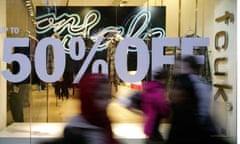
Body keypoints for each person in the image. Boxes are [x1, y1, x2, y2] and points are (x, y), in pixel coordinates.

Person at [63, 73, 119, 144]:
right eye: (100, 97)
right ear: (87, 99)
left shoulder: (103, 122)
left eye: (108, 97)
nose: (106, 103)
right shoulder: (75, 132)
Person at [118, 68, 170, 144]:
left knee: (152, 139)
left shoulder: (148, 90)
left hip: (148, 124)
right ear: (163, 79)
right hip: (153, 125)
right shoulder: (157, 91)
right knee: (156, 140)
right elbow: (162, 105)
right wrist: (167, 112)